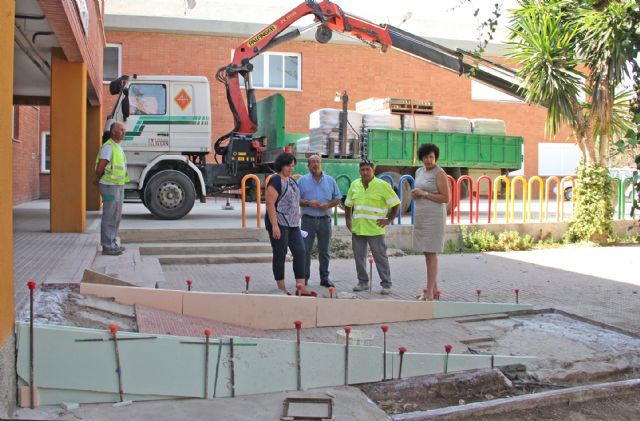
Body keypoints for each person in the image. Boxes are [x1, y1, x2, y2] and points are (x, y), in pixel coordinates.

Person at [344, 160, 400, 295]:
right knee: (359, 257)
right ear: (359, 171)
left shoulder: (383, 186)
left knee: (380, 257)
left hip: (375, 229)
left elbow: (396, 203)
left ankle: (386, 284)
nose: (365, 172)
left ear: (373, 171)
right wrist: (348, 220)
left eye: (367, 169)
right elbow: (348, 204)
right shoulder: (354, 185)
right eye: (362, 170)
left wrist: (389, 219)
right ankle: (362, 282)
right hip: (358, 228)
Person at [265, 152, 316, 296]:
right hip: (278, 222)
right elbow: (270, 204)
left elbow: (294, 201)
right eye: (289, 165)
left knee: (300, 252)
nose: (291, 168)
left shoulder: (292, 181)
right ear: (282, 165)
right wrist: (274, 225)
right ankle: (281, 288)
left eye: (293, 166)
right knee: (280, 254)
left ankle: (301, 286)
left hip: (293, 224)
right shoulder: (275, 180)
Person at [411, 143, 450, 301]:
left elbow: (445, 198)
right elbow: (419, 190)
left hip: (434, 217)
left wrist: (425, 194)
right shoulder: (419, 171)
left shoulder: (439, 173)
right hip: (421, 215)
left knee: (431, 252)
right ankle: (434, 290)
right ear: (421, 157)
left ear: (436, 157)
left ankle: (429, 293)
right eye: (426, 157)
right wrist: (415, 194)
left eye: (431, 157)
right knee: (426, 252)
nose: (428, 160)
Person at [298, 154, 342, 287]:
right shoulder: (302, 181)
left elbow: (338, 198)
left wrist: (328, 205)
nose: (315, 164)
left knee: (324, 251)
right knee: (305, 251)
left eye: (317, 161)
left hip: (325, 221)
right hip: (308, 221)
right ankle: (304, 278)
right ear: (308, 165)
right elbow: (295, 199)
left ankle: (325, 278)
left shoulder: (330, 180)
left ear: (321, 163)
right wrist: (307, 203)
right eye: (312, 162)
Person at [94, 122, 129, 256]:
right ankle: (107, 246)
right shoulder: (108, 147)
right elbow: (101, 166)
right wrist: (96, 180)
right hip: (109, 186)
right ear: (113, 132)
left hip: (118, 185)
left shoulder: (117, 147)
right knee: (109, 215)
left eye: (124, 130)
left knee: (116, 216)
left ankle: (113, 243)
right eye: (121, 130)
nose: (124, 132)